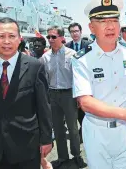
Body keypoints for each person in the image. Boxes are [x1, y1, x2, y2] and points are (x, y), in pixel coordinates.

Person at [72, 0, 126, 169]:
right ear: (91, 27)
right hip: (97, 133)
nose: (110, 26)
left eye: (114, 21)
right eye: (103, 21)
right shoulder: (81, 60)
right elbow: (85, 102)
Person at [0, 17, 53, 169]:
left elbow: (43, 107)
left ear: (19, 39)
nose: (6, 41)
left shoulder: (34, 67)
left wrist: (46, 139)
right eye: (1, 36)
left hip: (27, 145)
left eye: (11, 36)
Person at [41, 26, 86, 168]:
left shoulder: (72, 54)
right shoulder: (45, 57)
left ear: (61, 38)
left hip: (69, 94)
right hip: (53, 95)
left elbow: (78, 78)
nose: (50, 40)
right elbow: (43, 79)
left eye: (53, 37)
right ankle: (62, 157)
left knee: (73, 128)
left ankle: (77, 155)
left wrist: (79, 97)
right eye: (48, 37)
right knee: (58, 128)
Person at [65, 22, 91, 140]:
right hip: (71, 83)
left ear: (80, 32)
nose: (74, 34)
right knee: (74, 110)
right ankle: (79, 133)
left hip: (87, 82)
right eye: (72, 32)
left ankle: (85, 132)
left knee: (85, 110)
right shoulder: (66, 47)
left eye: (76, 31)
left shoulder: (89, 45)